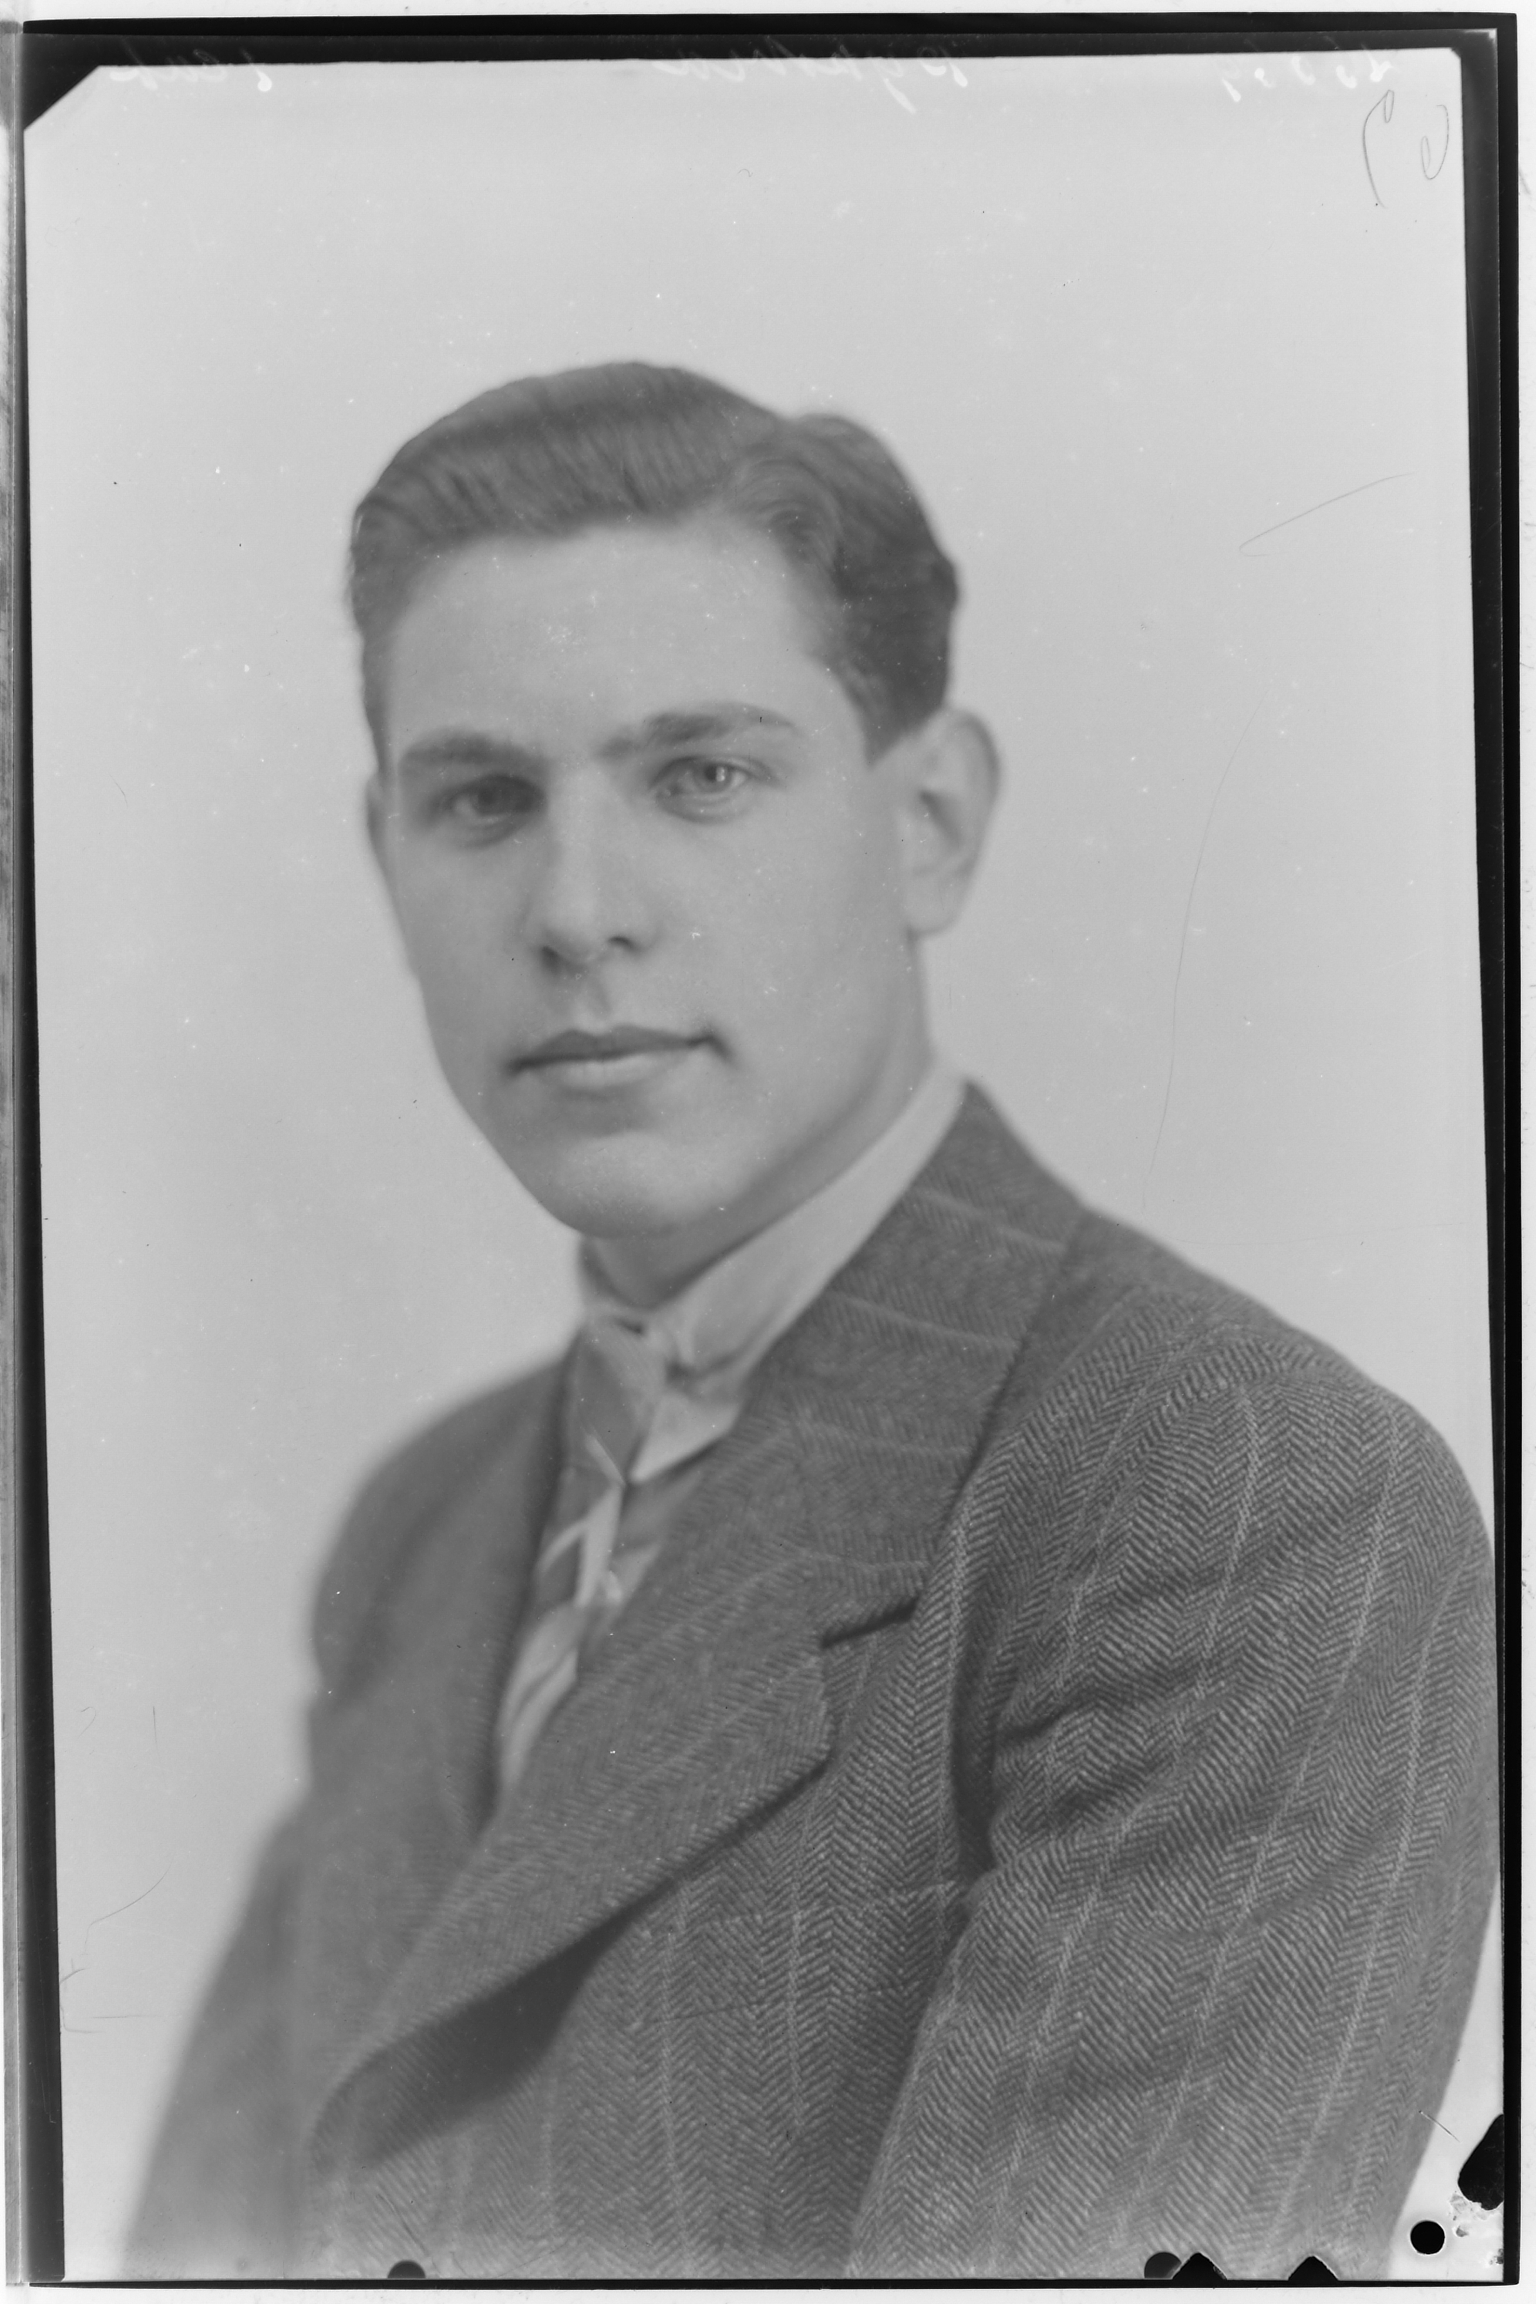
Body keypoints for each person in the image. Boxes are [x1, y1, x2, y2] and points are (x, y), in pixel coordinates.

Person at [126, 363, 1498, 2281]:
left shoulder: (1236, 1497)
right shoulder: (422, 1524)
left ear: (930, 821)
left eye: (701, 775)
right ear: (385, 857)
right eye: (483, 799)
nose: (577, 910)